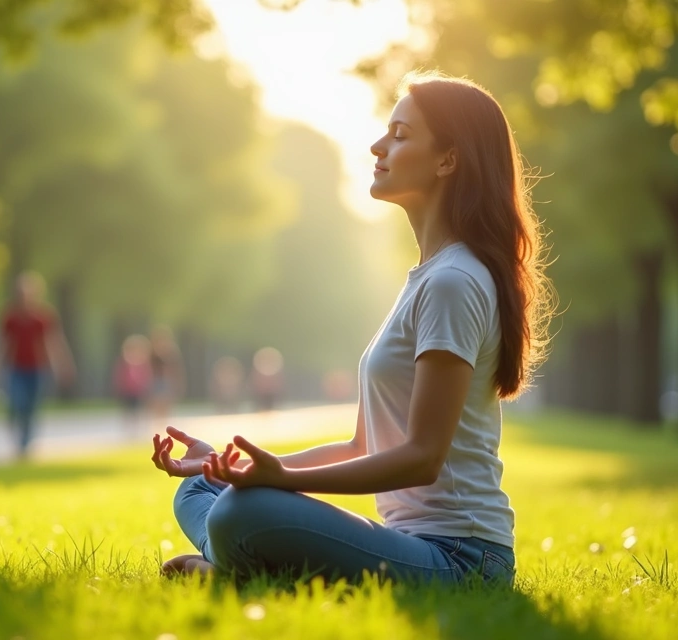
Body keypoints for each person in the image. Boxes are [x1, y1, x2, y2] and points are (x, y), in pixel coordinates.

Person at [150, 72, 554, 585]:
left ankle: (238, 568)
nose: (377, 146)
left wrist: (282, 480)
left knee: (236, 512)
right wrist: (244, 469)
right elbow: (362, 446)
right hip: (410, 544)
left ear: (447, 160)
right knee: (201, 491)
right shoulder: (430, 276)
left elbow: (423, 458)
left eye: (400, 135)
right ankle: (245, 564)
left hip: (461, 558)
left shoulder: (453, 281)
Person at [0, 272, 76, 459]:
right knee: (17, 402)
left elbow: (54, 342)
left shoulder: (43, 316)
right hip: (14, 368)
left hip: (38, 368)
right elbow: (1, 342)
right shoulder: (10, 317)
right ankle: (17, 430)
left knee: (32, 406)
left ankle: (25, 443)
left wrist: (64, 365)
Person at [113, 334, 154, 433]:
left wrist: (147, 386)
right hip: (127, 390)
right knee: (128, 409)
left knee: (138, 409)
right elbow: (120, 376)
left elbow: (147, 375)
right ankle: (129, 428)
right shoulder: (125, 362)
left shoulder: (143, 363)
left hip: (138, 390)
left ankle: (137, 428)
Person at [147, 326, 185, 430]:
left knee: (166, 403)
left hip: (168, 381)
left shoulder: (171, 352)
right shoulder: (152, 352)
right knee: (156, 404)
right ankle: (157, 425)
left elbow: (176, 368)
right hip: (156, 381)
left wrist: (178, 382)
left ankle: (165, 425)